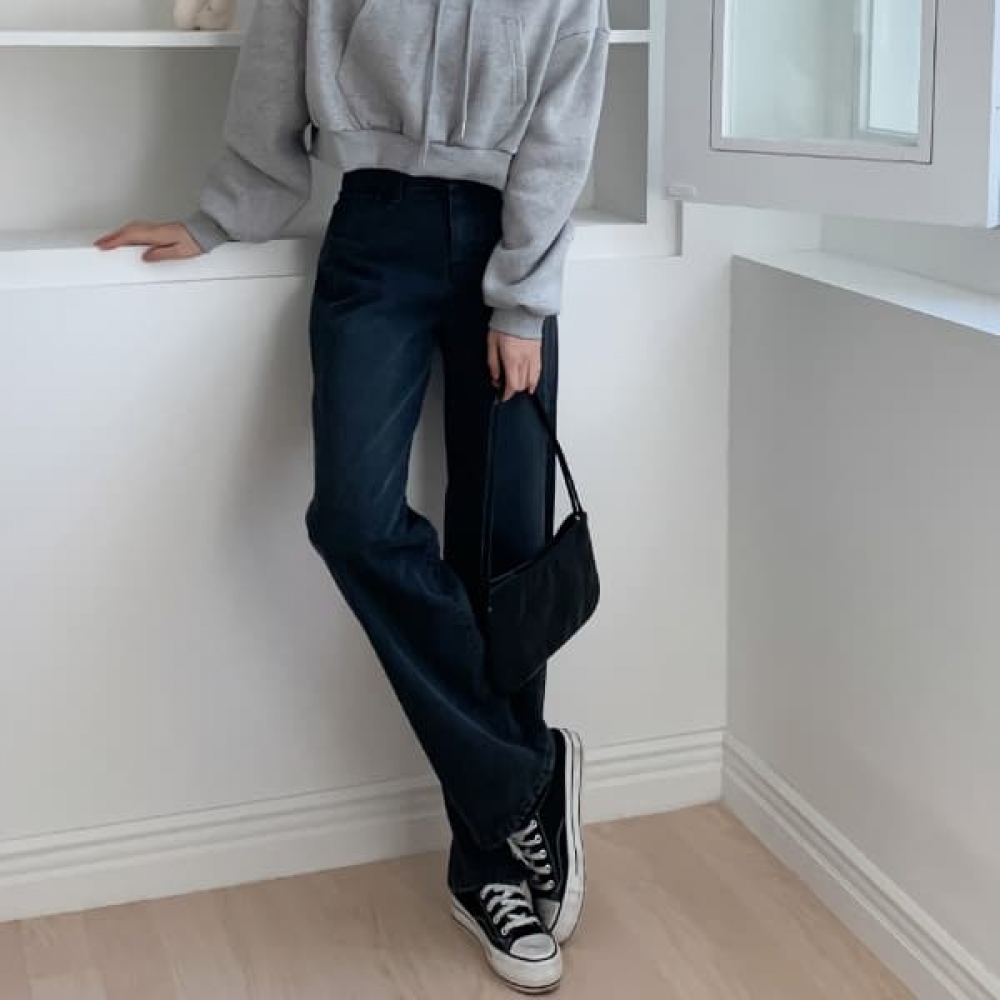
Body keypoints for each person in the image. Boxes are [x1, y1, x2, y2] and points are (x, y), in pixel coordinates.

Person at [97, 0, 609, 992]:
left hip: (508, 235)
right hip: (373, 234)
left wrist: (521, 302)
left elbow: (562, 122)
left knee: (504, 548)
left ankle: (489, 866)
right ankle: (527, 774)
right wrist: (217, 218)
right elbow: (273, 77)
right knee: (353, 521)